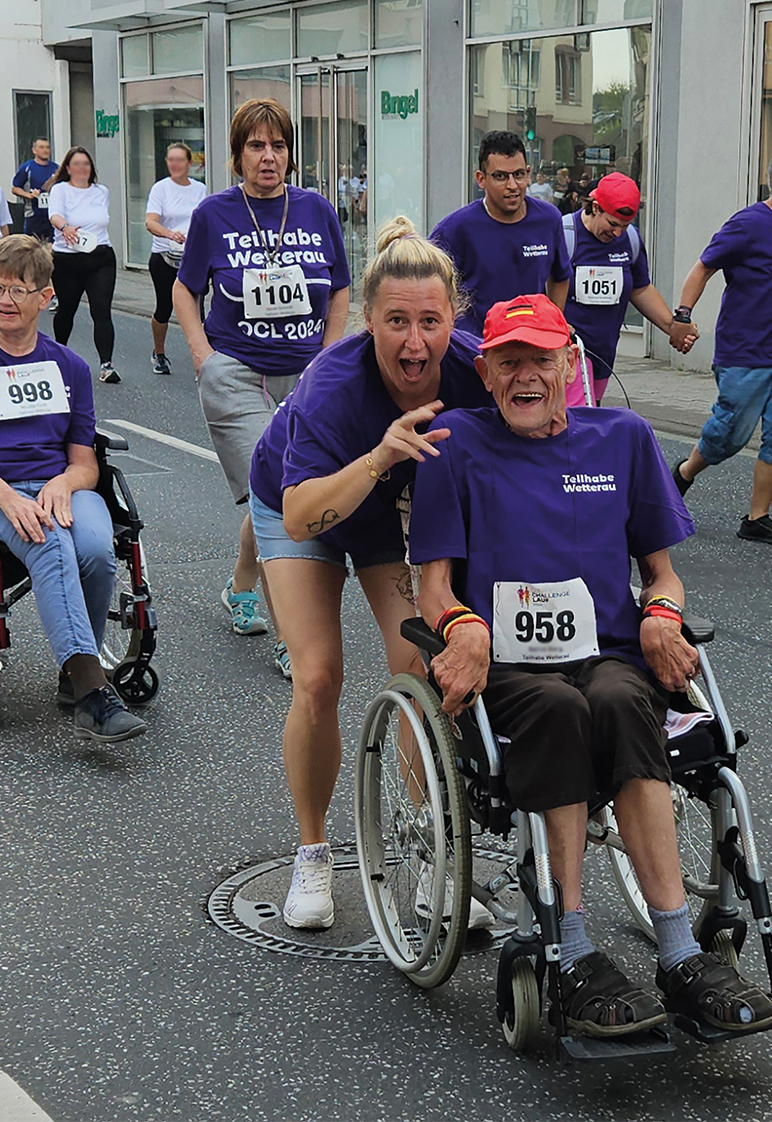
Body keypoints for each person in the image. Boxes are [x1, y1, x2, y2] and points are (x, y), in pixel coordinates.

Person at [409, 293, 772, 1037]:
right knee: (558, 708)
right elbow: (432, 587)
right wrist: (461, 627)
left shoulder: (623, 439)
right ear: (484, 373)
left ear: (569, 366)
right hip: (510, 673)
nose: (524, 376)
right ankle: (569, 949)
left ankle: (678, 952)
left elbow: (662, 574)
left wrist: (660, 615)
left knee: (618, 700)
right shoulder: (454, 445)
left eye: (539, 360)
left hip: (607, 653)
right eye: (507, 361)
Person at [245, 215, 492, 929]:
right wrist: (380, 457)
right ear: (367, 320)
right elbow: (298, 517)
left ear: (453, 318)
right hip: (306, 502)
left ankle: (427, 856)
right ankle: (313, 853)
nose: (413, 343)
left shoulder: (477, 370)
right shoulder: (331, 382)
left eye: (429, 322)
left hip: (391, 520)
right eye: (394, 323)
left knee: (416, 668)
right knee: (318, 675)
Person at [0, 236, 146, 743]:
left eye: (18, 290)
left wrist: (65, 485)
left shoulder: (69, 365)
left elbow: (85, 463)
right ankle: (91, 690)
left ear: (46, 298)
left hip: (60, 485)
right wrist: (9, 497)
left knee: (95, 548)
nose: (3, 300)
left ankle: (72, 673)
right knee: (49, 544)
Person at [175, 98, 350, 660]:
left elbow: (341, 287)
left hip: (306, 372)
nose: (268, 156)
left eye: (278, 145)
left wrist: (328, 359)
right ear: (236, 157)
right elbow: (186, 288)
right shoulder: (214, 215)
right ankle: (290, 638)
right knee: (274, 492)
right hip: (237, 370)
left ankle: (241, 586)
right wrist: (202, 353)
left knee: (279, 491)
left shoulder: (317, 210)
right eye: (256, 146)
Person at [670, 142, 772, 545]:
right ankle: (683, 473)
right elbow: (704, 266)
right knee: (728, 437)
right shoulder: (749, 224)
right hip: (745, 354)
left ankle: (757, 517)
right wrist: (682, 316)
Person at [560, 171, 697, 404]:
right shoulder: (563, 235)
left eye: (624, 226)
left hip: (603, 352)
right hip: (566, 352)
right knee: (579, 421)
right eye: (612, 224)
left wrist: (672, 327)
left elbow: (641, 289)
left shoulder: (630, 240)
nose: (617, 233)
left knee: (590, 413)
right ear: (595, 208)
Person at [429, 131, 569, 337]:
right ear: (481, 179)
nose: (512, 186)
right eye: (500, 177)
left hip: (532, 347)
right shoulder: (454, 229)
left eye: (519, 175)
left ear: (528, 174)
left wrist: (555, 325)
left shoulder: (549, 219)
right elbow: (428, 290)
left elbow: (560, 277)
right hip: (475, 349)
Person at [47, 146, 120, 384]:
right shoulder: (60, 190)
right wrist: (65, 227)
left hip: (100, 257)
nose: (82, 168)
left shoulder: (101, 191)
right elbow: (54, 215)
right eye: (77, 164)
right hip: (67, 259)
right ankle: (60, 355)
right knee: (67, 310)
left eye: (86, 164)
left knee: (101, 311)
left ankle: (106, 364)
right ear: (68, 168)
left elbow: (100, 219)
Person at [143, 141, 206, 375]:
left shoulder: (200, 189)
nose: (175, 164)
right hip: (164, 254)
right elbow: (150, 221)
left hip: (192, 256)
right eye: (171, 160)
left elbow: (206, 220)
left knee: (198, 310)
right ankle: (159, 353)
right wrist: (170, 234)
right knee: (164, 307)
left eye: (180, 160)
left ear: (189, 163)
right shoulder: (161, 189)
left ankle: (203, 359)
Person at [11, 137, 57, 243]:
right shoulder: (27, 168)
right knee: (31, 247)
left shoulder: (56, 169)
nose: (45, 150)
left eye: (47, 147)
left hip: (52, 216)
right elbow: (15, 188)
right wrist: (29, 195)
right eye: (41, 147)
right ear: (34, 150)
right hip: (33, 216)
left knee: (51, 248)